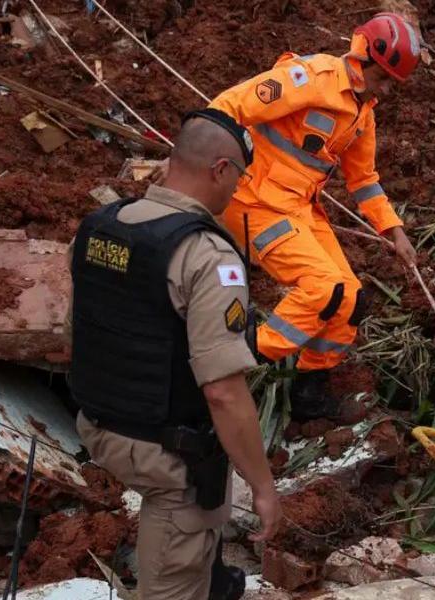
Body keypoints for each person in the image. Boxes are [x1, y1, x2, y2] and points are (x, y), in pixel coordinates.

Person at [70, 112, 282, 600]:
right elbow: (223, 391)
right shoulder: (206, 255)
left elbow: (78, 330)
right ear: (221, 170)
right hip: (165, 452)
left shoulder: (102, 226)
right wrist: (264, 488)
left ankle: (209, 579)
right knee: (186, 525)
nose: (236, 191)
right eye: (238, 179)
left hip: (99, 423)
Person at [207, 13, 423, 420]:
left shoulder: (363, 114)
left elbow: (364, 180)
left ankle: (309, 393)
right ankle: (231, 359)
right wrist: (201, 162)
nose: (389, 90)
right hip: (255, 200)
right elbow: (230, 106)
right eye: (385, 79)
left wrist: (394, 231)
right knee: (324, 290)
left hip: (298, 208)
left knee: (350, 299)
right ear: (364, 59)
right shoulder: (311, 78)